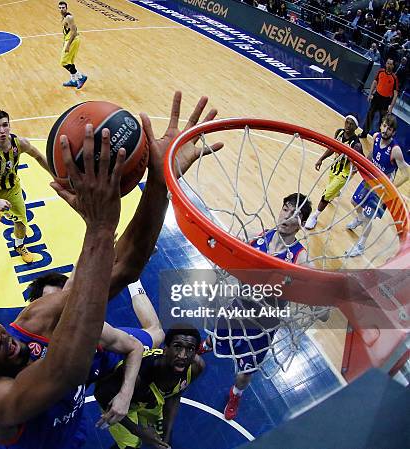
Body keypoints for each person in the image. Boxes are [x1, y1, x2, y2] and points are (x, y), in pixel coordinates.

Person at [0, 92, 224, 448]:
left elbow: (123, 265)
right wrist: (100, 227)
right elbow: (64, 370)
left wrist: (158, 182)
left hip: (75, 435)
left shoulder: (34, 321)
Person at [217, 193, 313, 420]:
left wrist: (326, 299)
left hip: (263, 326)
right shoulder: (257, 235)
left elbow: (319, 295)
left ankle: (235, 394)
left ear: (301, 224)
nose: (288, 217)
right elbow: (226, 245)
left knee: (244, 375)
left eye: (297, 215)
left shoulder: (300, 258)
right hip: (238, 308)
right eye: (287, 209)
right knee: (218, 336)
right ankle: (210, 342)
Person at [94, 325, 205, 449]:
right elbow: (101, 395)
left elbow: (174, 396)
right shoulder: (139, 373)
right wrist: (138, 432)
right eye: (177, 347)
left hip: (150, 403)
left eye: (190, 349)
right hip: (119, 403)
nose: (183, 355)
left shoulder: (195, 368)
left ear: (195, 353)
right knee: (129, 446)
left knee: (161, 438)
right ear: (165, 349)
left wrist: (166, 437)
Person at [0, 110, 50, 264]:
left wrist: (57, 177)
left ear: (9, 126)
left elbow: (39, 157)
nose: (2, 130)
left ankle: (19, 246)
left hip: (12, 188)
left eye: (5, 125)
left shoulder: (20, 143)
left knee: (21, 220)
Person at [346, 114, 409, 257]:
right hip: (370, 180)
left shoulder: (395, 150)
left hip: (382, 189)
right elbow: (372, 155)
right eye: (384, 126)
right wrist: (361, 166)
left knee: (368, 217)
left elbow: (407, 174)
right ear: (381, 125)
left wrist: (392, 188)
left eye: (390, 128)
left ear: (393, 132)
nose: (386, 130)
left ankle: (361, 245)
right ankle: (359, 219)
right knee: (354, 201)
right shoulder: (375, 137)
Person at [305, 115, 363, 230]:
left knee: (326, 195)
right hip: (334, 168)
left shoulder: (356, 144)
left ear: (356, 127)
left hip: (344, 174)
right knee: (332, 191)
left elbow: (362, 160)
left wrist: (356, 167)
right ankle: (335, 192)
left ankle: (314, 216)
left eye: (351, 124)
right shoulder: (339, 133)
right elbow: (332, 148)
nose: (348, 125)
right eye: (347, 122)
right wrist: (321, 159)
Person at [360, 58, 399, 138]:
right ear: (386, 64)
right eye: (388, 63)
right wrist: (370, 94)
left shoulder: (394, 78)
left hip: (385, 101)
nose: (389, 65)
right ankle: (364, 133)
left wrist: (391, 107)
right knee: (370, 115)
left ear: (393, 66)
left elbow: (395, 94)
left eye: (391, 64)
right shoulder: (380, 72)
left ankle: (379, 138)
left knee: (383, 121)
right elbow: (375, 82)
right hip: (377, 97)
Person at [59, 1, 88, 89]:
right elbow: (66, 31)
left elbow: (74, 32)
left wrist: (68, 45)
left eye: (63, 7)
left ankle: (81, 77)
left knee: (63, 62)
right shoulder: (64, 17)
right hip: (69, 40)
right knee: (69, 62)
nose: (61, 9)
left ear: (66, 8)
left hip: (73, 40)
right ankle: (73, 81)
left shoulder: (69, 17)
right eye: (60, 8)